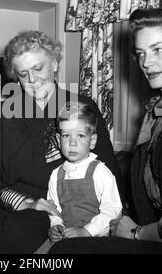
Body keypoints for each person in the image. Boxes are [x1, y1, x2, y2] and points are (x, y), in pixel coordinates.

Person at [50, 8, 162, 254]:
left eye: (158, 50)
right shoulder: (159, 110)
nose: (147, 63)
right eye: (141, 53)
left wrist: (137, 234)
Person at [0, 30, 124, 253]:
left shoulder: (82, 107)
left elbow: (109, 171)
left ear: (54, 64)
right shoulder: (8, 113)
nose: (32, 80)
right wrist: (22, 203)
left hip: (69, 211)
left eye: (38, 68)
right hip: (16, 208)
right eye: (23, 74)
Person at [35, 101, 122, 254]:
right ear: (58, 139)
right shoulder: (56, 175)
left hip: (97, 237)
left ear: (92, 141)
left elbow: (112, 211)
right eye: (66, 135)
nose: (72, 143)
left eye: (80, 135)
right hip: (67, 237)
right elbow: (53, 209)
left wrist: (86, 231)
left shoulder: (101, 172)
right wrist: (56, 226)